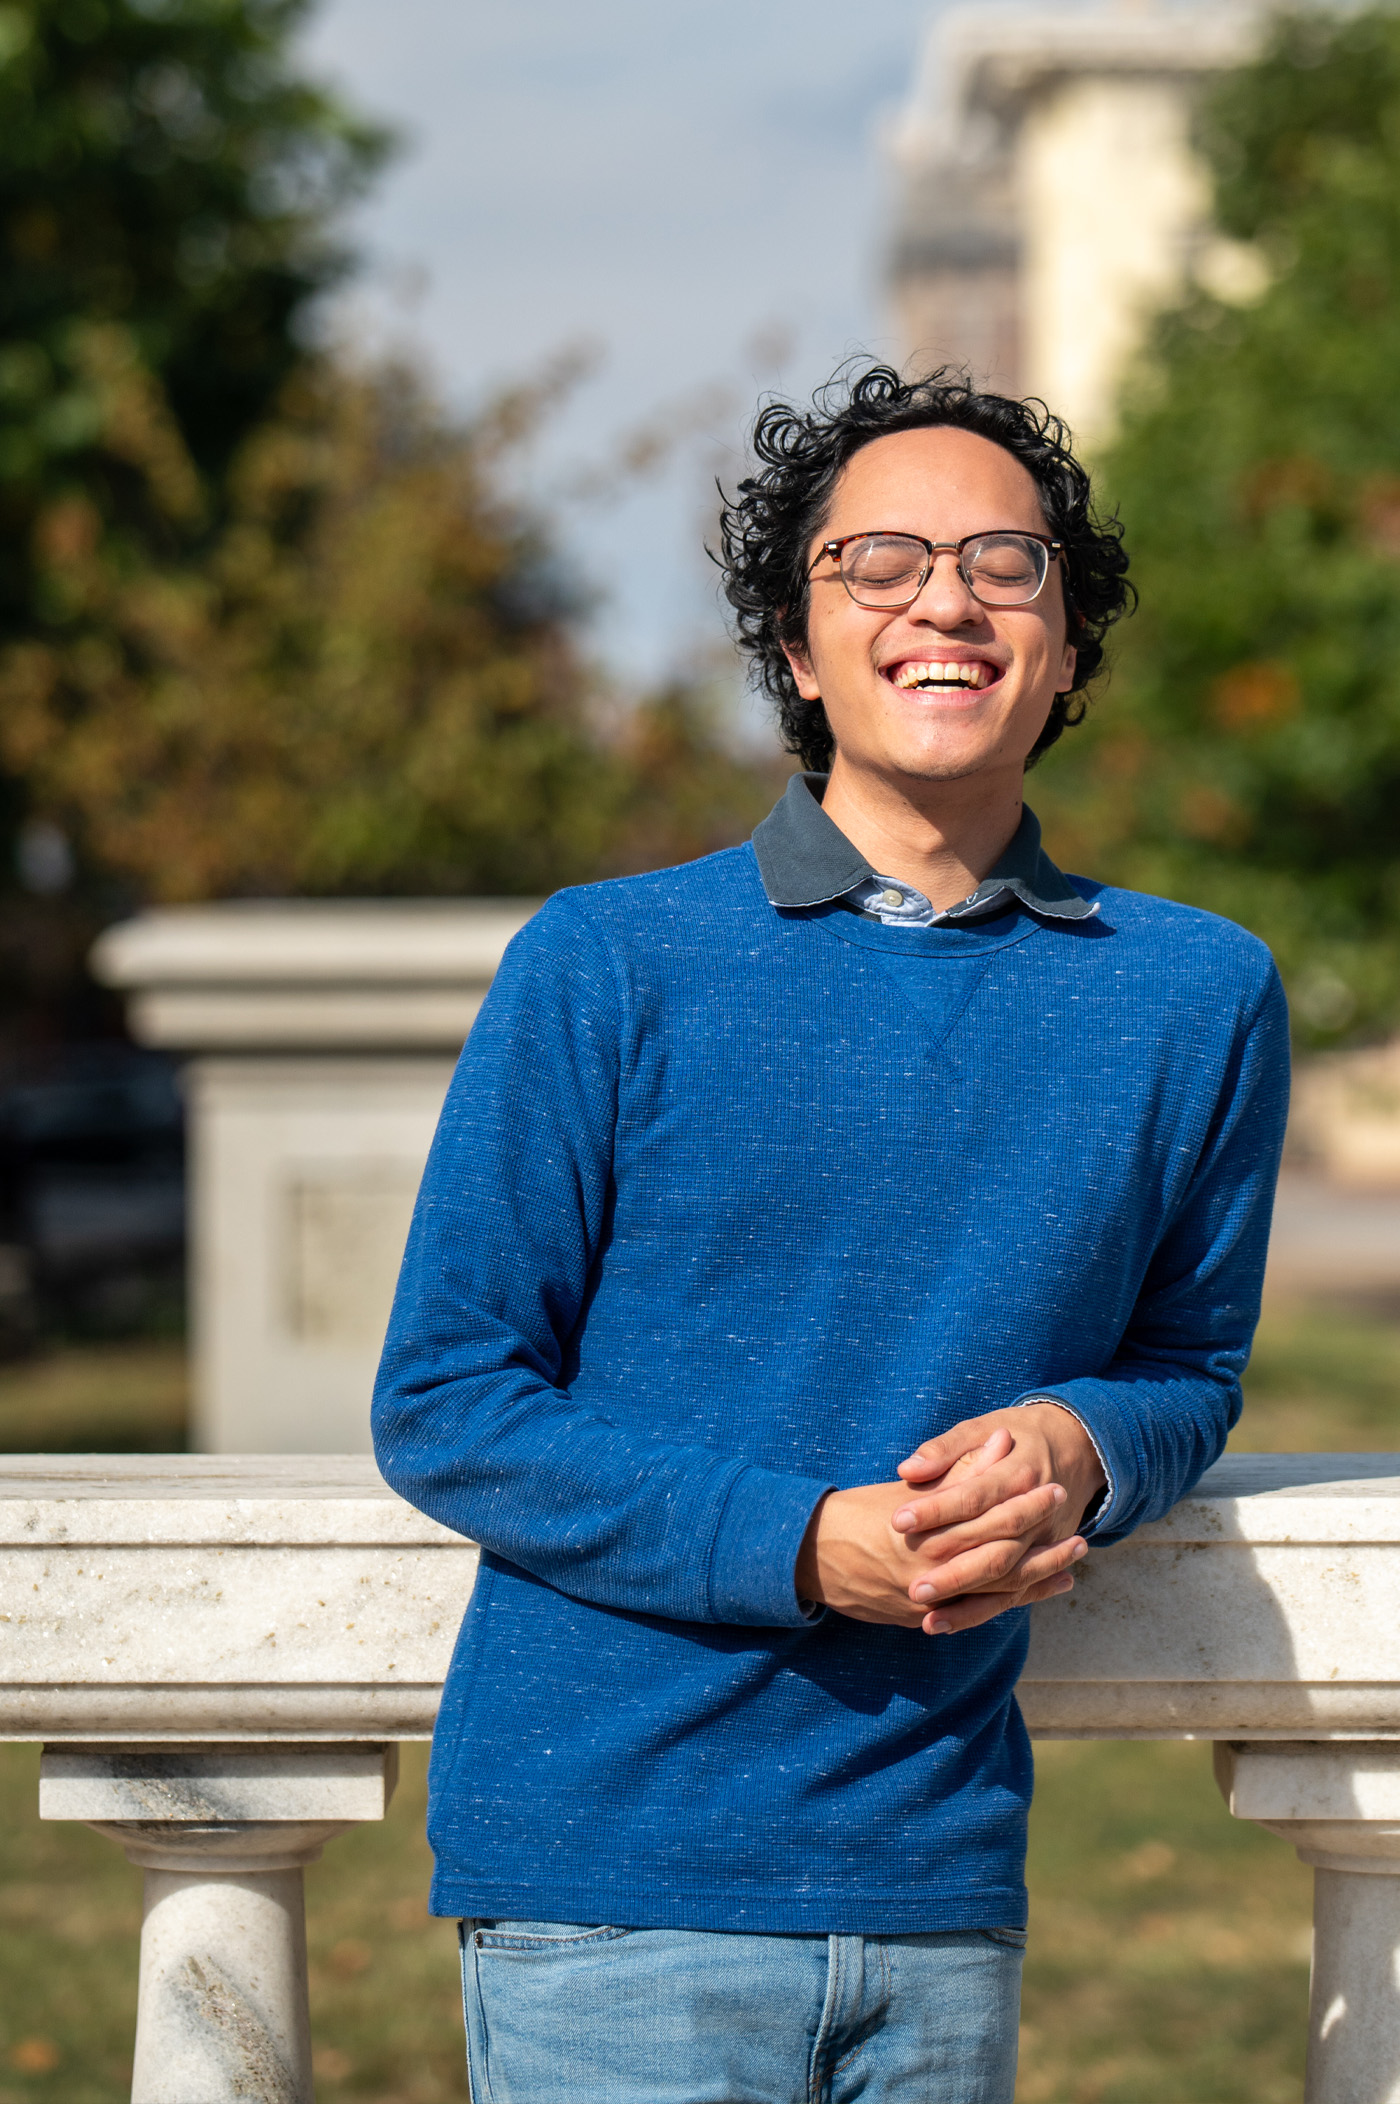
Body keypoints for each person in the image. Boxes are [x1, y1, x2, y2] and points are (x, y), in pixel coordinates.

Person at [373, 365, 1290, 2103]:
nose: (945, 599)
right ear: (798, 650)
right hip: (610, 1889)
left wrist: (1086, 1440)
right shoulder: (607, 964)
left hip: (938, 1875)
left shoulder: (1200, 995)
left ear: (1070, 649)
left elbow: (1190, 1367)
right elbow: (451, 1402)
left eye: (1006, 565)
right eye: (877, 564)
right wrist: (807, 1546)